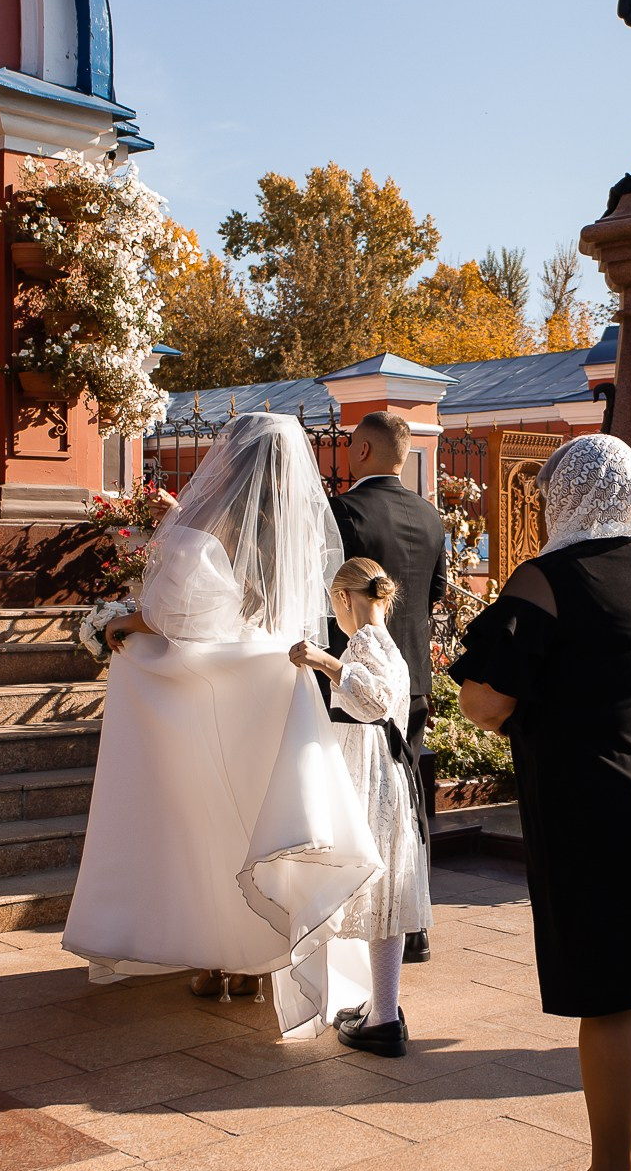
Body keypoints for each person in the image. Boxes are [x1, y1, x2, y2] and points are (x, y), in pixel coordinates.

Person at [448, 434, 631, 1171]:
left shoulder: (548, 577)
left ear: (561, 496)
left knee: (604, 996)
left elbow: (483, 702)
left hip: (599, 798)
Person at [61, 413, 381, 1037]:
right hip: (274, 686)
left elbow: (179, 621)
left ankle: (216, 962)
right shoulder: (299, 532)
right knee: (262, 821)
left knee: (204, 818)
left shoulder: (197, 532)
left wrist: (121, 626)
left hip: (211, 688)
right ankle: (260, 961)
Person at [291, 558, 432, 1058]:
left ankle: (384, 1017)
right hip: (384, 775)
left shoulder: (366, 641)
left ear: (346, 599)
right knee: (385, 895)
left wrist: (323, 661)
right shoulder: (383, 641)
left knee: (377, 891)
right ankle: (383, 1011)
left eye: (335, 604)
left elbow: (373, 701)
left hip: (372, 778)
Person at [328, 413, 447, 966]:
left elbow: (328, 590)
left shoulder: (345, 511)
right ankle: (414, 926)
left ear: (366, 449)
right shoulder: (431, 516)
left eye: (352, 445)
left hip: (354, 680)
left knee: (358, 802)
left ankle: (359, 922)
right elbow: (437, 592)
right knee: (407, 799)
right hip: (413, 680)